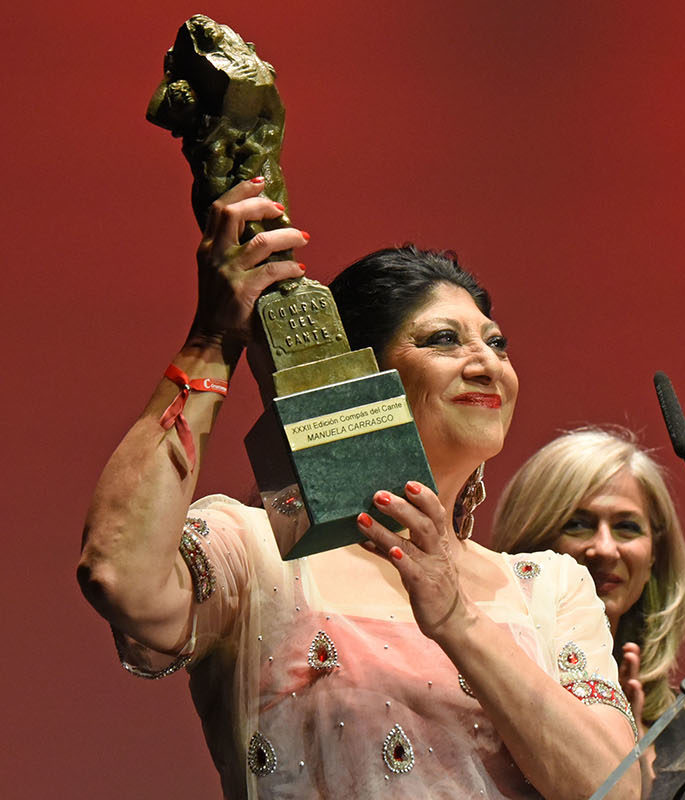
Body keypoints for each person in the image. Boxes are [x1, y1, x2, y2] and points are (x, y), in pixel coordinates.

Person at [76, 178, 638, 800]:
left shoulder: (550, 587)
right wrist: (213, 339)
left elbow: (613, 790)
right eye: (444, 340)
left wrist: (455, 618)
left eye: (496, 341)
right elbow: (117, 576)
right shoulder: (260, 553)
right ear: (362, 374)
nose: (488, 363)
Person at [491, 428, 685, 735]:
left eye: (627, 527)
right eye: (577, 525)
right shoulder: (484, 682)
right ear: (529, 544)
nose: (604, 549)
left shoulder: (682, 725)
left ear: (655, 554)